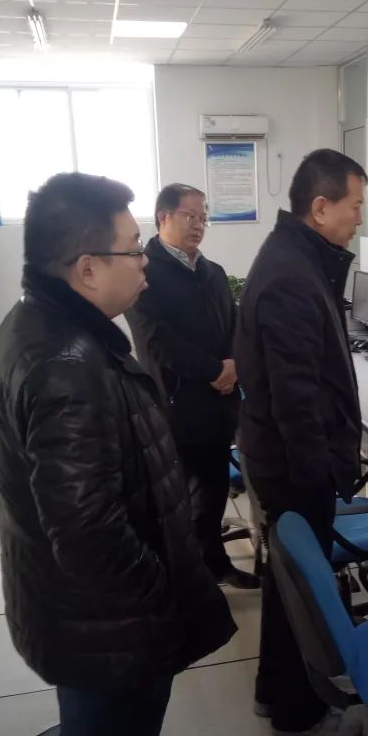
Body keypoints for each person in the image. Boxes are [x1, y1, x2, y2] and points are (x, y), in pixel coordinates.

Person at [0, 173, 236, 736]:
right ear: (88, 268)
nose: (145, 260)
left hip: (82, 618)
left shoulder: (40, 326)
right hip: (109, 631)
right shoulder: (67, 367)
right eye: (133, 248)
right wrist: (160, 597)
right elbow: (88, 533)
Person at [234, 149, 368, 736]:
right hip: (294, 466)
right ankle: (298, 712)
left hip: (283, 458)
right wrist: (318, 476)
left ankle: (273, 692)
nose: (358, 218)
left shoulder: (297, 258)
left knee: (286, 582)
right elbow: (296, 397)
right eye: (354, 206)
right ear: (320, 208)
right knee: (302, 591)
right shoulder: (293, 275)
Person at [128, 183, 259, 589]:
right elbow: (156, 341)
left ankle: (215, 564)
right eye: (190, 216)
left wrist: (234, 365)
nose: (199, 225)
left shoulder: (212, 272)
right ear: (163, 217)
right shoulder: (144, 273)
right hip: (176, 403)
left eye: (204, 218)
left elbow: (234, 326)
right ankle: (183, 577)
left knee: (213, 490)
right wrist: (214, 370)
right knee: (178, 500)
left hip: (218, 403)